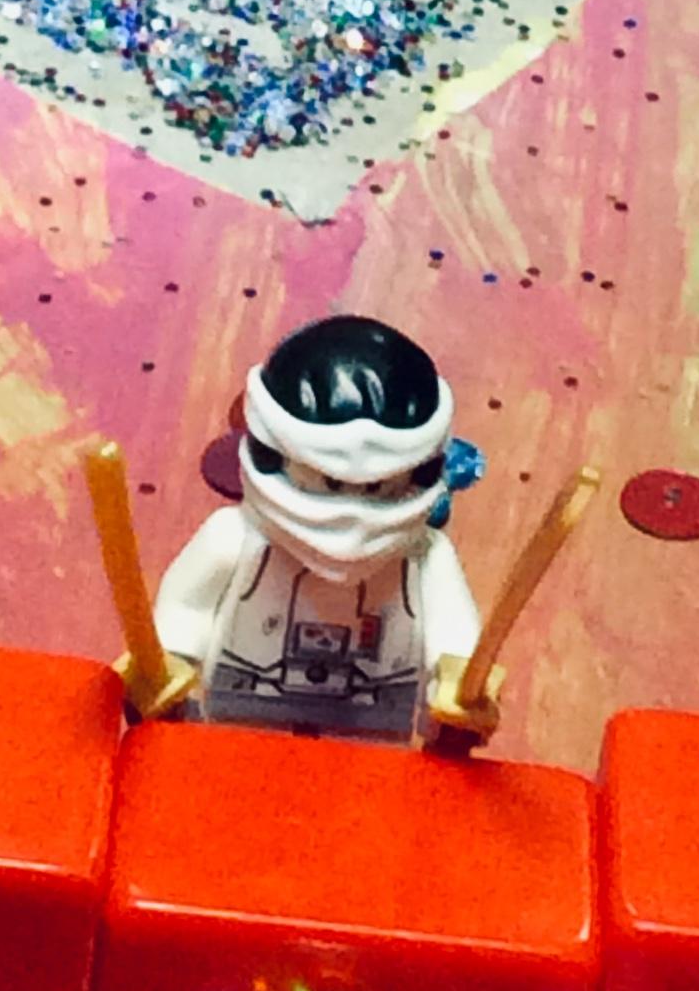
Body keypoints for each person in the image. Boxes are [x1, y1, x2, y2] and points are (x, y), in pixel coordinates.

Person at [143, 314, 489, 740]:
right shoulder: (231, 540)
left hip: (371, 730)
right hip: (243, 720)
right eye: (330, 483)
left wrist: (460, 686)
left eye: (376, 487)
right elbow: (185, 612)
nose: (351, 515)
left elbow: (455, 642)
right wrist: (168, 663)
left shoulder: (426, 557)